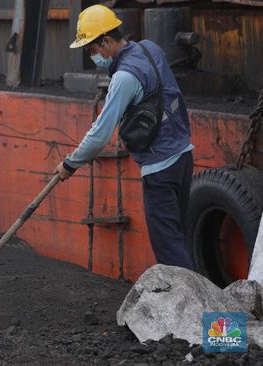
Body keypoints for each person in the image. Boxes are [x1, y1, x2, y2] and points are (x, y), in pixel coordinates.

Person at [55, 4, 194, 269]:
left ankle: (189, 307)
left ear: (106, 41)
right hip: (183, 155)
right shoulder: (150, 49)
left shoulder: (124, 78)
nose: (93, 56)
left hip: (160, 167)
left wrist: (69, 164)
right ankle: (199, 302)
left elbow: (99, 134)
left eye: (92, 50)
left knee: (169, 249)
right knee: (179, 236)